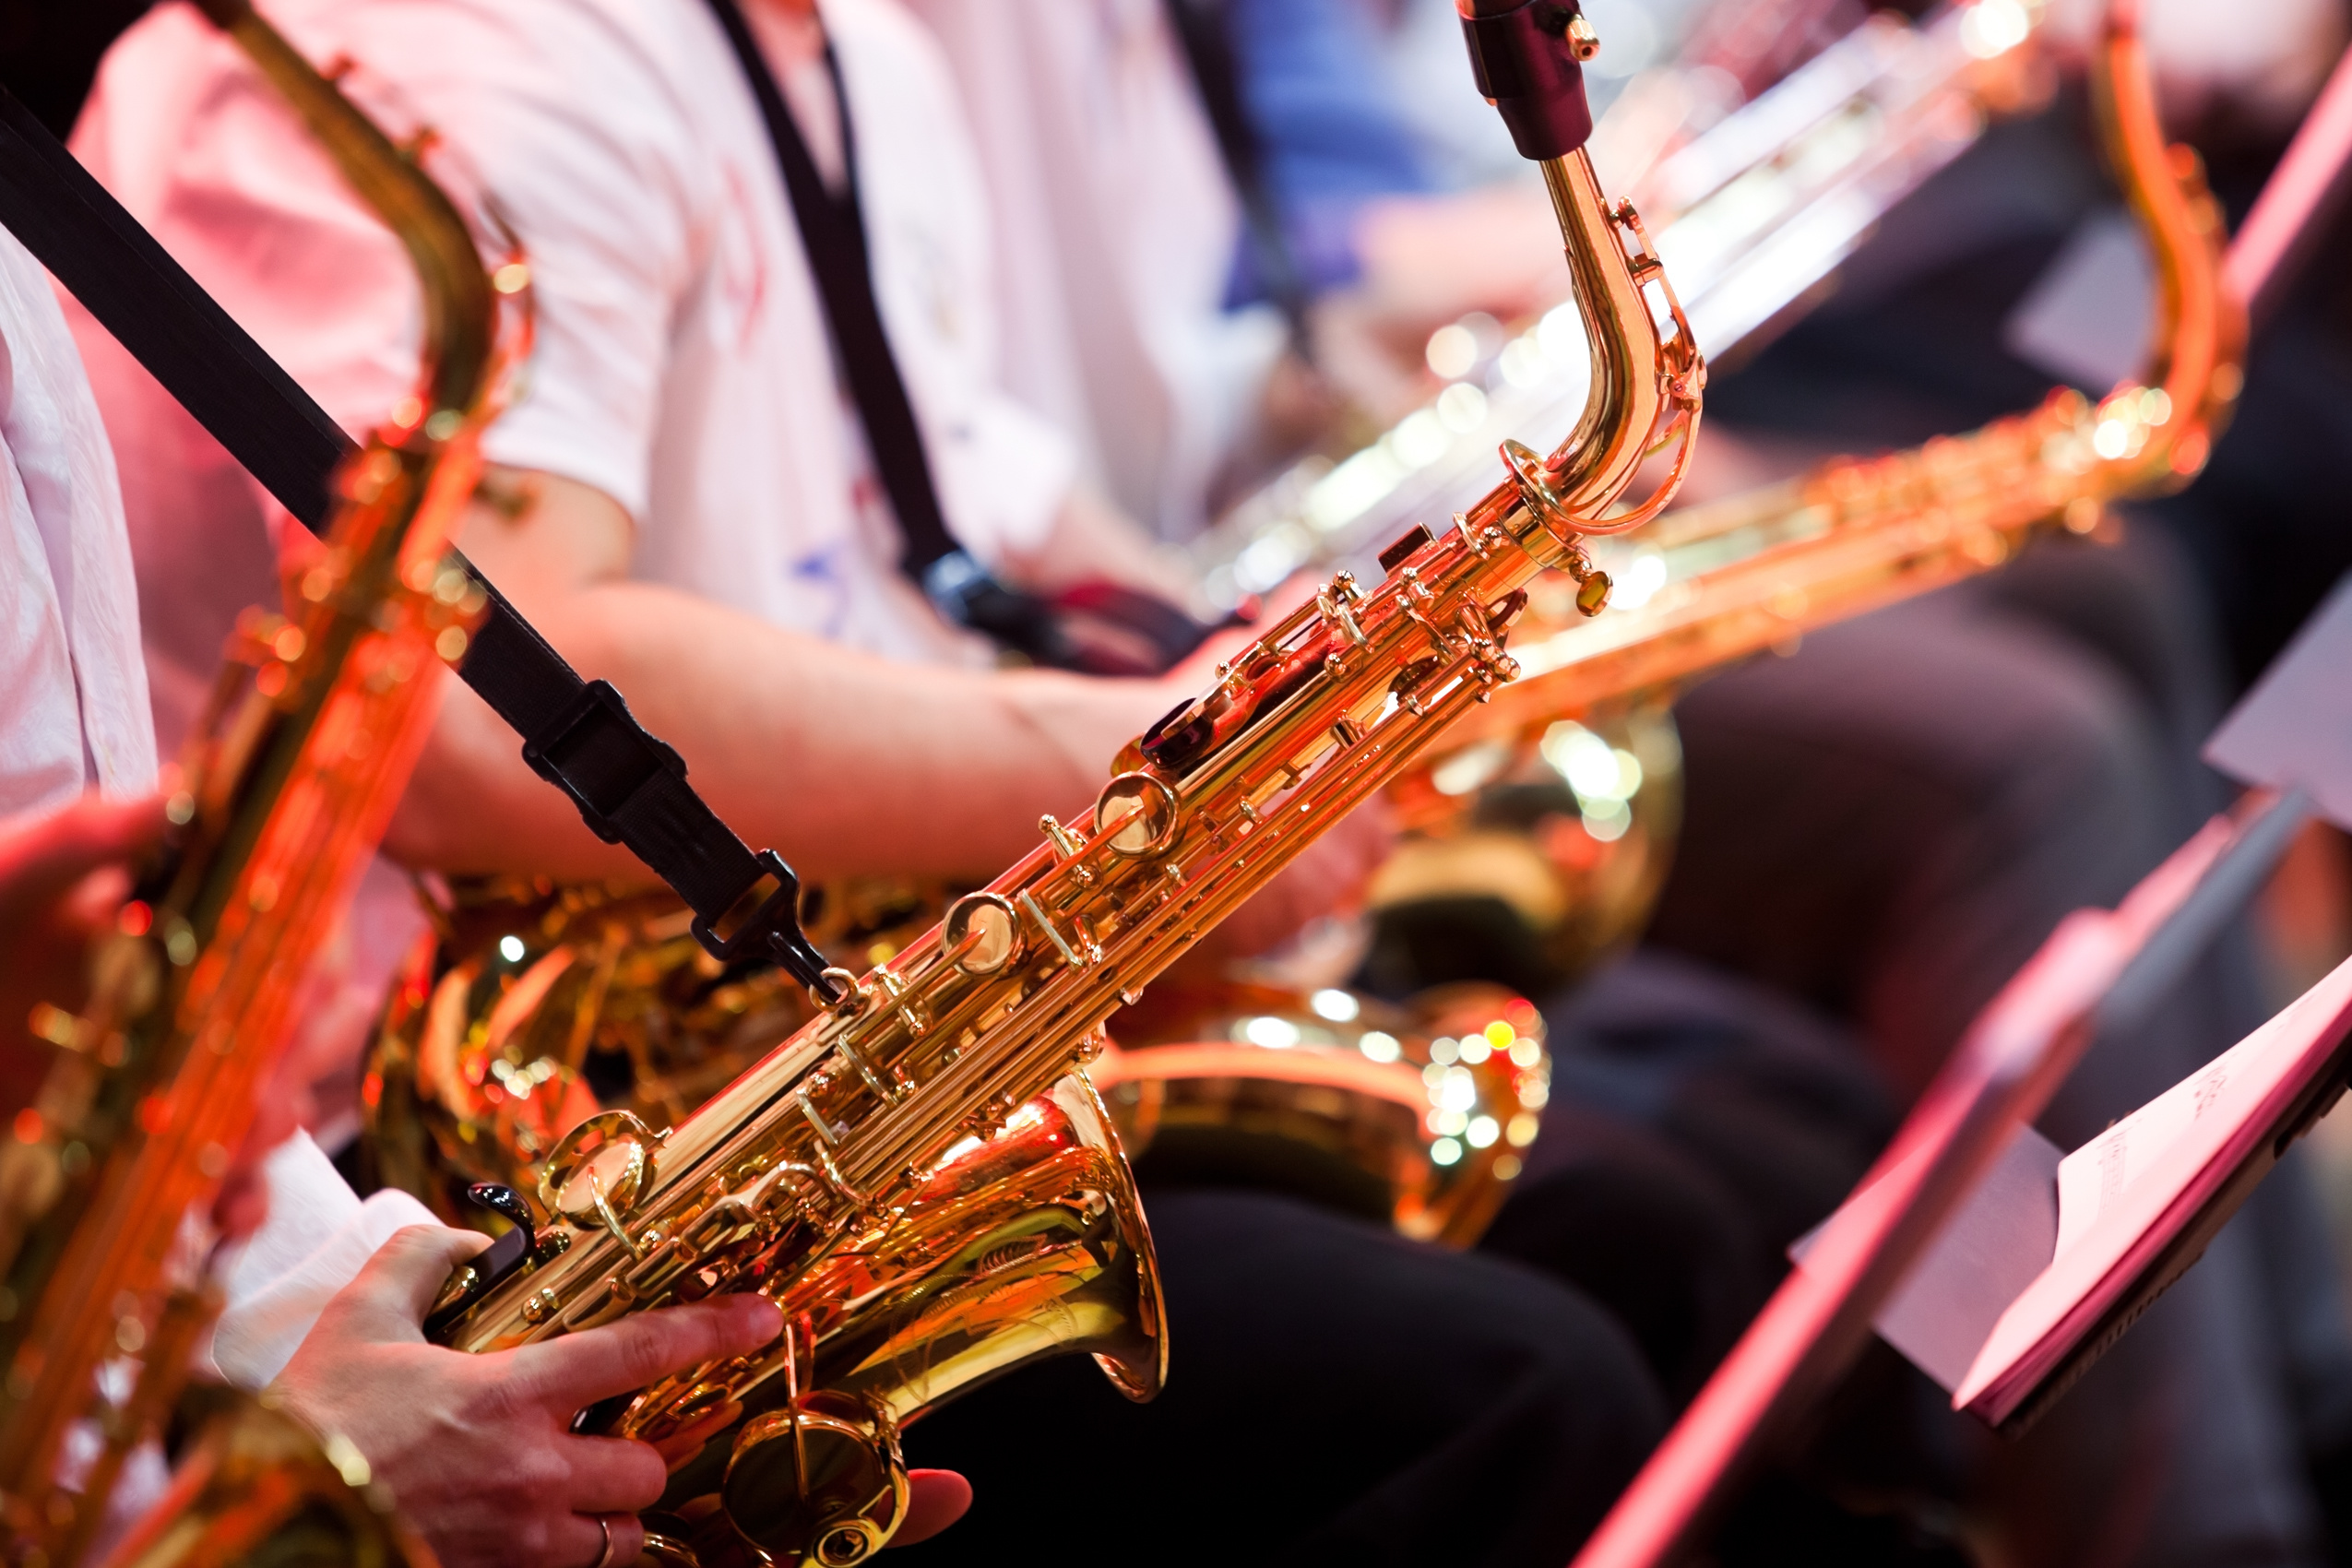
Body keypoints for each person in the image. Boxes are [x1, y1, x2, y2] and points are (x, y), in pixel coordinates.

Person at [68, 0, 1679, 1562]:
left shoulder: (845, 53)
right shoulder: (463, 64)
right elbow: (472, 713)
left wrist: (1259, 705)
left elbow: (981, 520)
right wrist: (1130, 762)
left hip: (758, 1029)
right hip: (466, 1130)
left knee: (1658, 1206)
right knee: (1538, 1377)